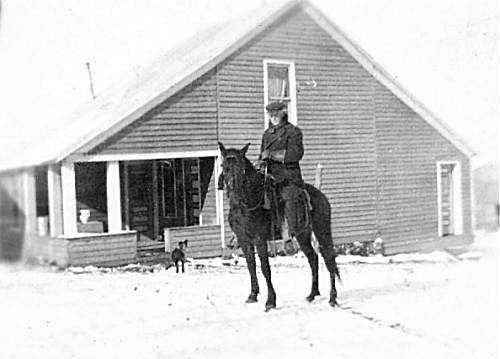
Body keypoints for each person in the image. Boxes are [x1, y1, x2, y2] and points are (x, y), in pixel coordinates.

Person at [255, 101, 307, 236]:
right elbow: (262, 154)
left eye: (276, 114)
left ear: (283, 113)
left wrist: (272, 155)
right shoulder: (267, 134)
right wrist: (259, 162)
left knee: (288, 196)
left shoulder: (293, 132)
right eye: (270, 114)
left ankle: (290, 233)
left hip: (288, 176)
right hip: (270, 175)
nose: (273, 117)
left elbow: (295, 154)